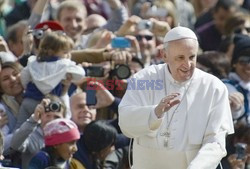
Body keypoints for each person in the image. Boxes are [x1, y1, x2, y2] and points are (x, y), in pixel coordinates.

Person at [118, 26, 234, 169]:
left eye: (192, 57)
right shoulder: (144, 79)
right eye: (180, 58)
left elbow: (216, 142)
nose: (187, 64)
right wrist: (155, 113)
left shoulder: (213, 87)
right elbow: (125, 123)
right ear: (164, 55)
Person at [17, 31, 85, 128]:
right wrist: (68, 71)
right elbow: (81, 74)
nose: (68, 55)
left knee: (20, 127)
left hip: (29, 101)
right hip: (50, 106)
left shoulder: (33, 62)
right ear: (51, 51)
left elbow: (23, 76)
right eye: (65, 52)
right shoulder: (64, 64)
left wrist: (27, 87)